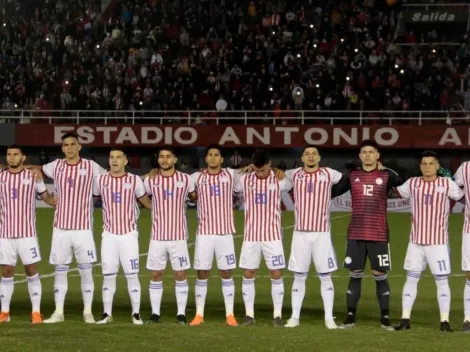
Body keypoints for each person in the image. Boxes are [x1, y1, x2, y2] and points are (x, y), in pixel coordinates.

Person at [332, 139, 404, 330]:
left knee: (379, 274)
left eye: (371, 152)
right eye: (364, 152)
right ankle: (350, 317)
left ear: (377, 155)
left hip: (379, 233)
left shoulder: (387, 175)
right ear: (359, 156)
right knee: (355, 274)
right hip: (355, 233)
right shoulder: (352, 175)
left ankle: (385, 318)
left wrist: (387, 168)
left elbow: (406, 185)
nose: (367, 155)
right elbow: (332, 192)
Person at [42, 132, 107, 324]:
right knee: (60, 270)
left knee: (86, 270)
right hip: (60, 228)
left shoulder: (91, 166)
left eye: (73, 144)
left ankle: (87, 311)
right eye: (66, 145)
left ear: (79, 147)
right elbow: (36, 172)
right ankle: (58, 312)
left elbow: (111, 178)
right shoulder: (55, 165)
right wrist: (47, 197)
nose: (69, 148)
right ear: (62, 148)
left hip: (83, 228)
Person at [394, 150, 463, 332]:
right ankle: (405, 319)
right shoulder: (412, 183)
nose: (427, 167)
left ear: (438, 166)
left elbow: (463, 196)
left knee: (441, 281)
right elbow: (395, 192)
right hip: (415, 241)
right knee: (411, 279)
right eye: (424, 163)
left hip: (438, 242)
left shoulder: (447, 184)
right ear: (420, 166)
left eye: (431, 163)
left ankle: (444, 321)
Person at [284, 146, 342, 329]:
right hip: (300, 233)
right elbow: (277, 175)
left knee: (325, 276)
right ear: (302, 158)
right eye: (307, 154)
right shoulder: (293, 174)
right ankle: (294, 317)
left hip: (322, 233)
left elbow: (349, 180)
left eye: (314, 154)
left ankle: (329, 318)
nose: (310, 157)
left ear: (319, 157)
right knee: (299, 276)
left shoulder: (329, 173)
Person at [93, 149, 152, 325]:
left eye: (118, 158)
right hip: (109, 235)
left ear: (125, 161)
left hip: (129, 235)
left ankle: (136, 314)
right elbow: (93, 201)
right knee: (108, 275)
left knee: (132, 275)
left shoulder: (134, 180)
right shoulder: (100, 180)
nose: (114, 160)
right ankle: (106, 314)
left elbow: (146, 203)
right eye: (111, 157)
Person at [235, 149, 293, 326]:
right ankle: (249, 315)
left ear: (269, 164)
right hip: (251, 236)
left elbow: (291, 182)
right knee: (248, 272)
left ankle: (277, 315)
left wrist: (278, 170)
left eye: (263, 169)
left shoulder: (279, 180)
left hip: (272, 236)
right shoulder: (245, 180)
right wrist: (245, 169)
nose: (260, 173)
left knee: (275, 273)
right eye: (257, 169)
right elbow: (232, 181)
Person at [0, 145, 55, 324]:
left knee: (31, 270)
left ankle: (36, 312)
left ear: (23, 158)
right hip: (5, 234)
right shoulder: (1, 177)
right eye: (9, 155)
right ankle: (5, 312)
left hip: (27, 234)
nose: (12, 157)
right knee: (7, 271)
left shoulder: (33, 177)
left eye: (16, 154)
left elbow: (45, 196)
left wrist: (56, 201)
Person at [189, 144, 238, 327]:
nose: (212, 158)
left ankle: (230, 315)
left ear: (222, 159)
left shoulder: (231, 175)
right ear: (206, 158)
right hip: (204, 233)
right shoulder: (196, 177)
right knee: (202, 272)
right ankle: (199, 314)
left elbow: (251, 170)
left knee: (226, 272)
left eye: (216, 155)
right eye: (209, 155)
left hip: (225, 233)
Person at [144, 147, 194, 325]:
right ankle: (155, 314)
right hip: (157, 236)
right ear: (158, 161)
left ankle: (181, 314)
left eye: (168, 157)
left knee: (180, 274)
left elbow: (195, 197)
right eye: (161, 157)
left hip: (178, 236)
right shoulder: (150, 180)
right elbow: (139, 193)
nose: (164, 160)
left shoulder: (186, 179)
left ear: (175, 159)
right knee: (156, 274)